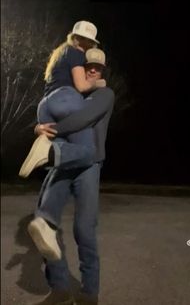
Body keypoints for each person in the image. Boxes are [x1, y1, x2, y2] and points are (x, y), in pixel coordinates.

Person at [28, 54, 115, 305]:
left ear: (102, 73)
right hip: (65, 162)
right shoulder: (72, 96)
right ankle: (59, 289)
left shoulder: (104, 95)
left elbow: (83, 119)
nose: (92, 73)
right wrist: (38, 128)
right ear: (81, 70)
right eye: (88, 68)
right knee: (45, 226)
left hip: (89, 164)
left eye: (97, 69)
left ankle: (89, 293)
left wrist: (48, 132)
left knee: (84, 230)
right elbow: (49, 116)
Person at [19, 20, 106, 178]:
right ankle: (49, 152)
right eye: (85, 40)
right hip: (66, 99)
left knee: (63, 160)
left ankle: (48, 155)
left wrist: (38, 128)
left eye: (90, 41)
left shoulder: (60, 53)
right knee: (90, 153)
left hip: (45, 107)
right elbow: (81, 86)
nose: (87, 44)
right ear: (76, 38)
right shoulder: (76, 53)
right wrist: (98, 83)